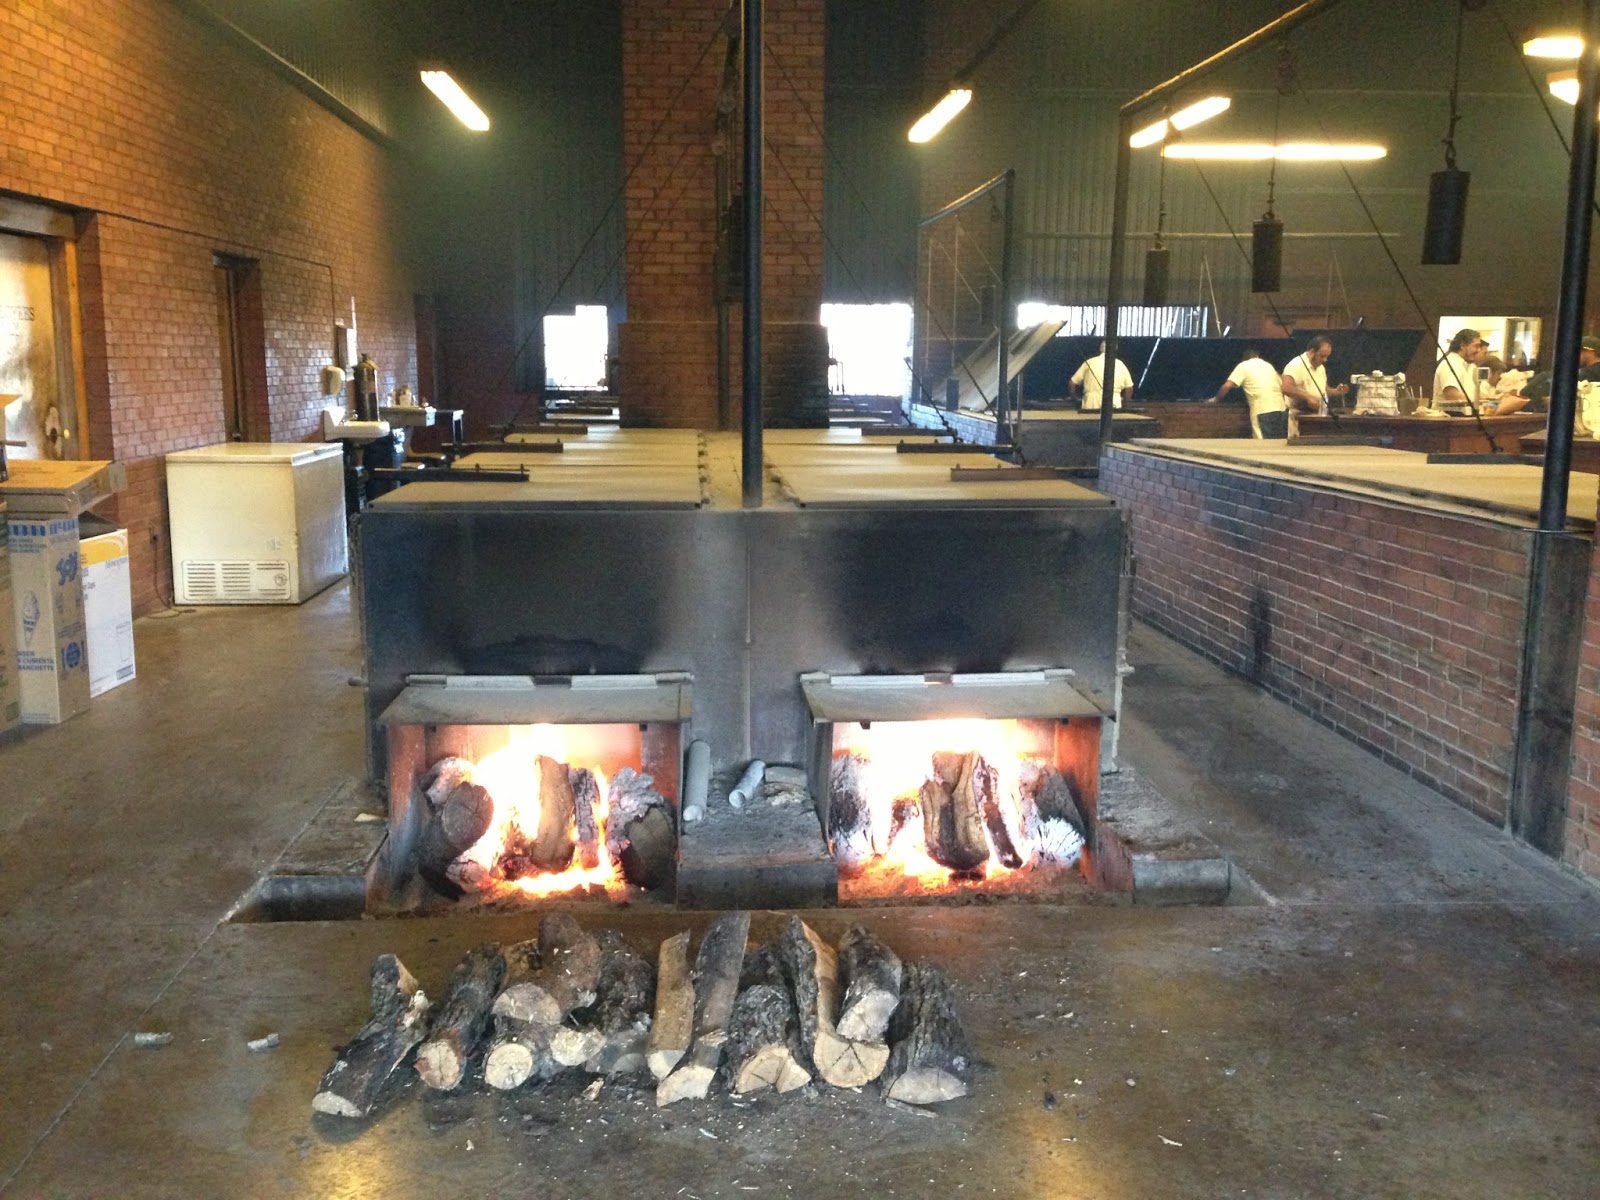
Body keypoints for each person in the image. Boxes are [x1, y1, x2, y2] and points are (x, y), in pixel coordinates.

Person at [1281, 336, 1350, 434]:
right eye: (1322, 356)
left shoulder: (1320, 367)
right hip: (1299, 418)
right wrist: (1307, 396)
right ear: (1312, 352)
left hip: (1316, 416)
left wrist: (1336, 391)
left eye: (1327, 356)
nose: (1325, 360)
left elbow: (1323, 389)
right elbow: (1286, 388)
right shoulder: (1296, 365)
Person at [1215, 347, 1288, 439]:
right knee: (1279, 443)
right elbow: (1282, 384)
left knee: (1263, 445)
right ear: (1257, 356)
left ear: (1244, 358)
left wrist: (1216, 399)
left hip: (1262, 411)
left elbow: (1226, 386)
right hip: (1281, 410)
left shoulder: (1243, 366)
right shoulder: (1268, 366)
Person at [1432, 328, 1491, 411]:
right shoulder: (1449, 364)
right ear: (1462, 345)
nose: (1478, 350)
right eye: (1476, 346)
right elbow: (1452, 395)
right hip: (1449, 420)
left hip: (1468, 417)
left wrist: (1492, 401)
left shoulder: (1471, 366)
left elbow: (1478, 394)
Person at [1070, 343, 1132, 411]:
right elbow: (1129, 388)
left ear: (1100, 349)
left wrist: (1075, 400)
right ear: (1115, 350)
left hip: (1091, 403)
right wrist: (1124, 404)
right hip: (1114, 402)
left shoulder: (1089, 362)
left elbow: (1073, 382)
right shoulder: (1121, 365)